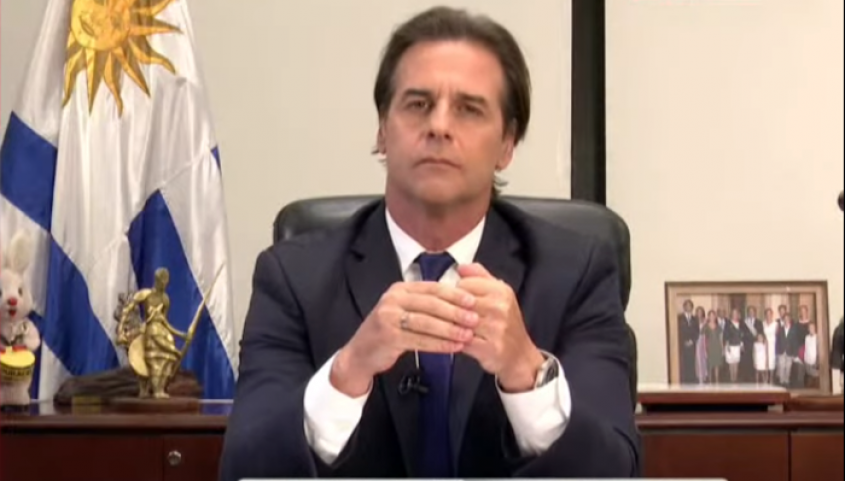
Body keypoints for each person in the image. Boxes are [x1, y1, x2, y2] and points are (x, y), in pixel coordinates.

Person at [219, 6, 639, 480]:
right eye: (418, 104)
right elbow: (244, 469)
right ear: (383, 129)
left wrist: (526, 371)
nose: (439, 126)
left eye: (469, 109)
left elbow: (615, 470)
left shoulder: (575, 273)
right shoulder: (293, 277)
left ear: (507, 144)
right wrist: (347, 372)